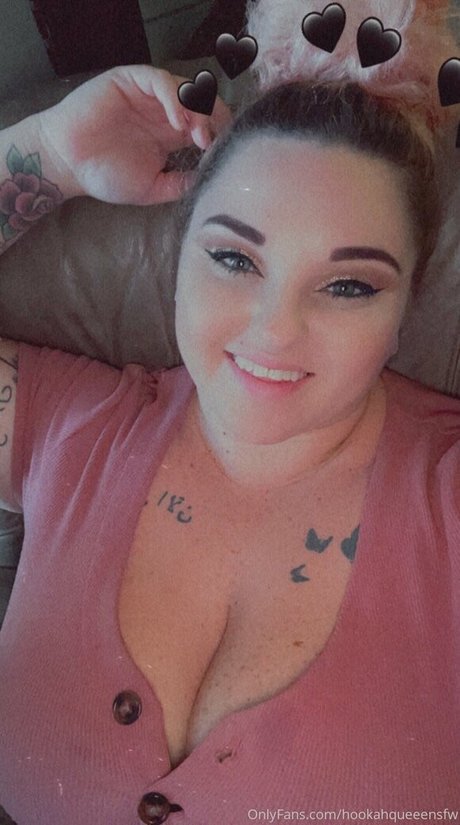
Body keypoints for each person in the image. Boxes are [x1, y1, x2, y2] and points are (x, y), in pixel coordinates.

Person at [0, 2, 459, 823]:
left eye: (348, 285)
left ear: (406, 308)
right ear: (180, 259)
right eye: (234, 258)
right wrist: (47, 156)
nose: (275, 330)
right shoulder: (71, 425)